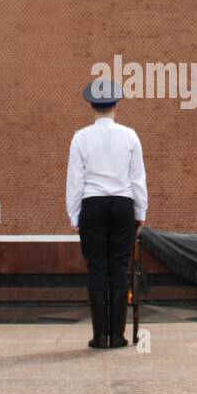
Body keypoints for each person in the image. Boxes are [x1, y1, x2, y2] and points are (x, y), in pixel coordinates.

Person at [66, 79, 148, 349]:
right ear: (116, 105)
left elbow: (75, 181)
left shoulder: (80, 137)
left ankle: (100, 336)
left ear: (92, 106)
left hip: (93, 204)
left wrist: (74, 215)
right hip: (123, 204)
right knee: (118, 267)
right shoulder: (130, 135)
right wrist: (141, 212)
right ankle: (118, 336)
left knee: (97, 267)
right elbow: (138, 178)